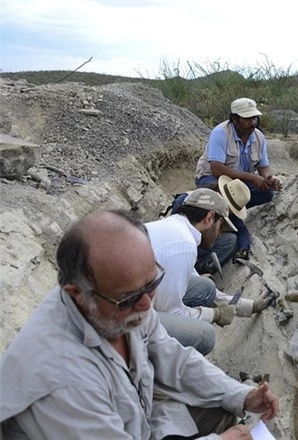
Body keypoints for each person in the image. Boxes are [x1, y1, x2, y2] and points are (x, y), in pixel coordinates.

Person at [0, 210, 279, 439]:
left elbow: (173, 357)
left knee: (223, 408)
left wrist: (241, 394)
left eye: (152, 283)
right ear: (77, 294)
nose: (147, 305)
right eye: (130, 297)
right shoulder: (61, 380)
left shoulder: (119, 305)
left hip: (138, 423)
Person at [147, 188, 274, 355]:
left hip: (125, 298)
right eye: (220, 226)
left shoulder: (175, 226)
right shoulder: (183, 245)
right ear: (209, 218)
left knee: (205, 286)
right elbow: (171, 312)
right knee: (205, 336)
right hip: (117, 323)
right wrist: (214, 314)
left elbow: (202, 286)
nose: (220, 233)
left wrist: (248, 307)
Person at [194, 97, 282, 261]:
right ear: (234, 118)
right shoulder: (220, 133)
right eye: (247, 119)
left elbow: (263, 167)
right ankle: (237, 232)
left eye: (254, 118)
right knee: (222, 199)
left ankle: (229, 210)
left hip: (238, 183)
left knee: (268, 194)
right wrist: (252, 178)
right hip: (211, 180)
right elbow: (217, 168)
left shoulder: (258, 137)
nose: (253, 122)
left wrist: (268, 178)